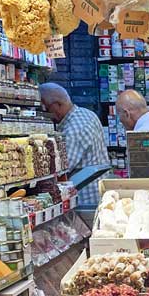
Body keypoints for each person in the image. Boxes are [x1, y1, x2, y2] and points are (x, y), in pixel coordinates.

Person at [40, 83, 110, 214]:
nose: (45, 113)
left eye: (46, 108)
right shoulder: (86, 114)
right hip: (96, 194)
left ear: (57, 105)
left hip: (85, 200)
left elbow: (61, 168)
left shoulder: (74, 129)